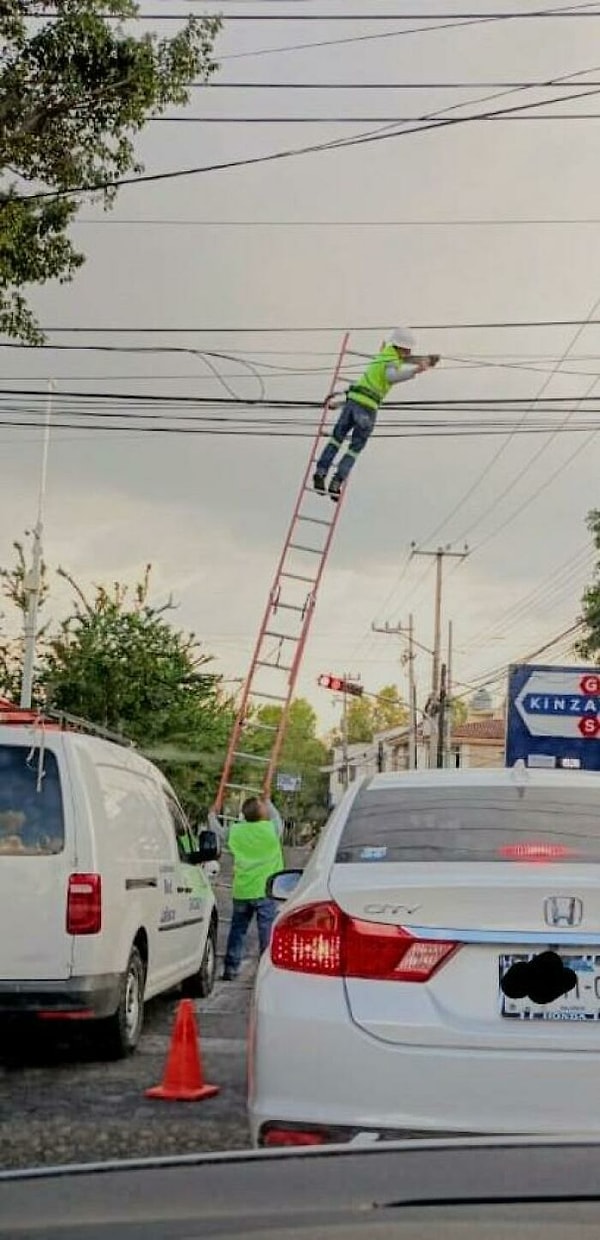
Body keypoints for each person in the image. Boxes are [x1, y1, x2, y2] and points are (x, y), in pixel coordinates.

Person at [313, 327, 440, 500]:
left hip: (352, 402)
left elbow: (363, 386)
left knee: (336, 439)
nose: (409, 352)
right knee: (354, 449)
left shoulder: (383, 355)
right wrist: (415, 371)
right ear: (402, 347)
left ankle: (320, 473)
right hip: (367, 409)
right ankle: (337, 481)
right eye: (408, 348)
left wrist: (339, 402)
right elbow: (391, 377)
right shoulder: (392, 359)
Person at [211, 796, 284, 981]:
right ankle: (266, 974)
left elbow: (217, 831)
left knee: (237, 931)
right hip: (266, 891)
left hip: (242, 890)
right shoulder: (271, 829)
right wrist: (268, 799)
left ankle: (230, 969)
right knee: (266, 934)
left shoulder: (236, 831)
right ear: (261, 812)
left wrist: (212, 814)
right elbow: (276, 815)